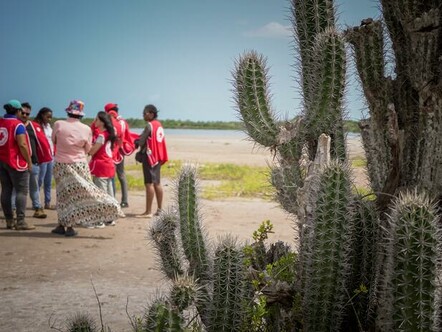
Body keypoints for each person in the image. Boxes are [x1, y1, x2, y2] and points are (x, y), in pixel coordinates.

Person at [51, 100, 122, 237]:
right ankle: (109, 206)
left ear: (68, 111)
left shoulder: (58, 124)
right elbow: (88, 149)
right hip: (80, 164)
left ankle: (64, 224)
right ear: (81, 115)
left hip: (61, 164)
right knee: (83, 193)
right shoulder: (86, 129)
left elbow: (54, 141)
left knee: (62, 195)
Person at [0, 99, 34, 230]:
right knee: (21, 191)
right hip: (15, 162)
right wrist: (29, 161)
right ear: (18, 111)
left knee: (6, 190)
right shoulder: (18, 125)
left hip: (2, 161)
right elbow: (22, 144)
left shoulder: (1, 122)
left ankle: (9, 220)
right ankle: (20, 221)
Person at [19, 102, 52, 219]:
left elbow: (42, 143)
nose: (24, 115)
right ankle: (12, 211)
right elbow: (22, 144)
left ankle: (38, 207)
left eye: (27, 113)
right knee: (16, 188)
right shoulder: (16, 125)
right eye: (22, 112)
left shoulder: (33, 126)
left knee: (35, 185)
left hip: (34, 161)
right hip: (18, 161)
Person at [134, 104, 168, 218]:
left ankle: (148, 211)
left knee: (148, 183)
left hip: (149, 157)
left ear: (151, 114)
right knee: (157, 183)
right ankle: (159, 210)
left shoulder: (149, 125)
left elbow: (141, 141)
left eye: (145, 113)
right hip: (158, 156)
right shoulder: (159, 124)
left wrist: (135, 143)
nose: (143, 115)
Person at [88, 111, 118, 226]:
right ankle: (110, 218)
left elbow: (92, 151)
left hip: (101, 166)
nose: (94, 122)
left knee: (100, 194)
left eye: (96, 120)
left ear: (102, 122)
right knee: (109, 194)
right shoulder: (109, 134)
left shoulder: (101, 136)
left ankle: (100, 220)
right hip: (109, 166)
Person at [103, 103, 134, 208]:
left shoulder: (111, 121)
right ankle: (124, 201)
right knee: (121, 175)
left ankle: (113, 200)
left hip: (113, 151)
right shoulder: (123, 121)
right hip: (120, 151)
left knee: (111, 176)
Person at [34, 107, 55, 210]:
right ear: (42, 115)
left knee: (48, 181)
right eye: (48, 116)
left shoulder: (49, 127)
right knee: (39, 181)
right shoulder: (37, 126)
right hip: (42, 157)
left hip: (51, 157)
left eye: (51, 117)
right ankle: (36, 203)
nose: (49, 119)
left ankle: (47, 202)